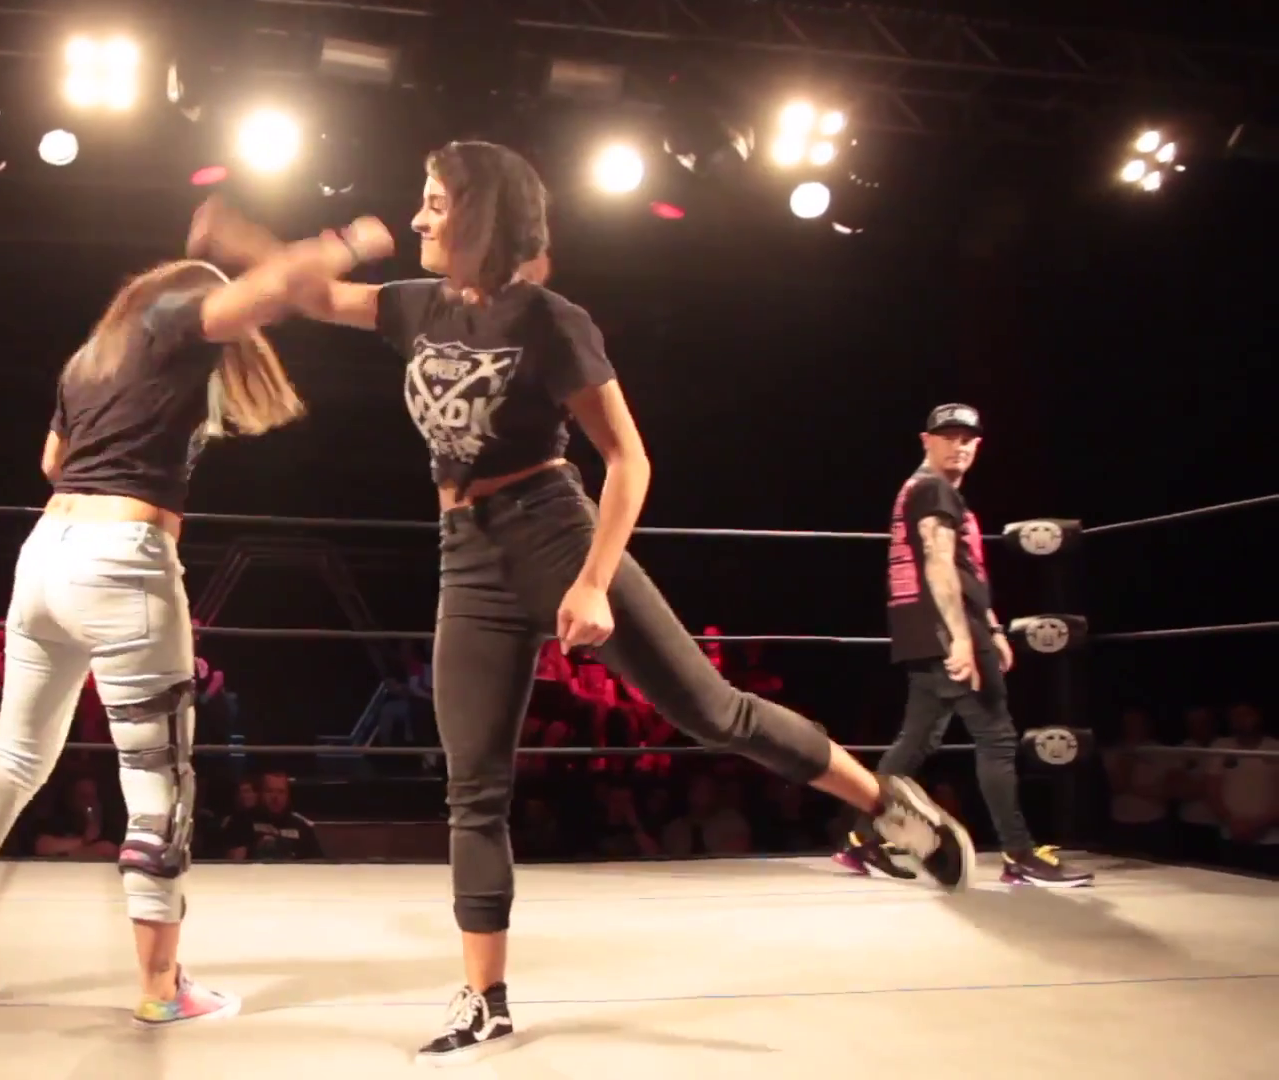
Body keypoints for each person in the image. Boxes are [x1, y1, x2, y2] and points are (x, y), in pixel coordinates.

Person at [193, 142, 978, 1065]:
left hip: (555, 532)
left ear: (480, 214)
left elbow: (628, 459)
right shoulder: (414, 305)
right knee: (472, 788)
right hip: (465, 555)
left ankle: (885, 803)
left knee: (713, 712)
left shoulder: (550, 320)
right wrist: (260, 240)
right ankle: (486, 998)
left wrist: (594, 579)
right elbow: (310, 294)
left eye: (435, 202)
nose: (418, 218)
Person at [0, 205, 396, 1029]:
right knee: (158, 777)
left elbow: (52, 461)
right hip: (122, 558)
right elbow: (266, 292)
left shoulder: (89, 359)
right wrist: (344, 245)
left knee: (14, 762)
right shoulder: (175, 318)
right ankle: (162, 984)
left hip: (44, 557)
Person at [835, 405, 1092, 888]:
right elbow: (938, 561)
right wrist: (961, 638)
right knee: (996, 737)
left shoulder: (924, 489)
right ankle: (1020, 855)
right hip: (946, 632)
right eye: (948, 436)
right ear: (926, 440)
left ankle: (861, 841)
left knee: (915, 743)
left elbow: (963, 567)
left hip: (926, 631)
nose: (959, 445)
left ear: (979, 445)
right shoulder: (933, 489)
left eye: (967, 438)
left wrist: (991, 628)